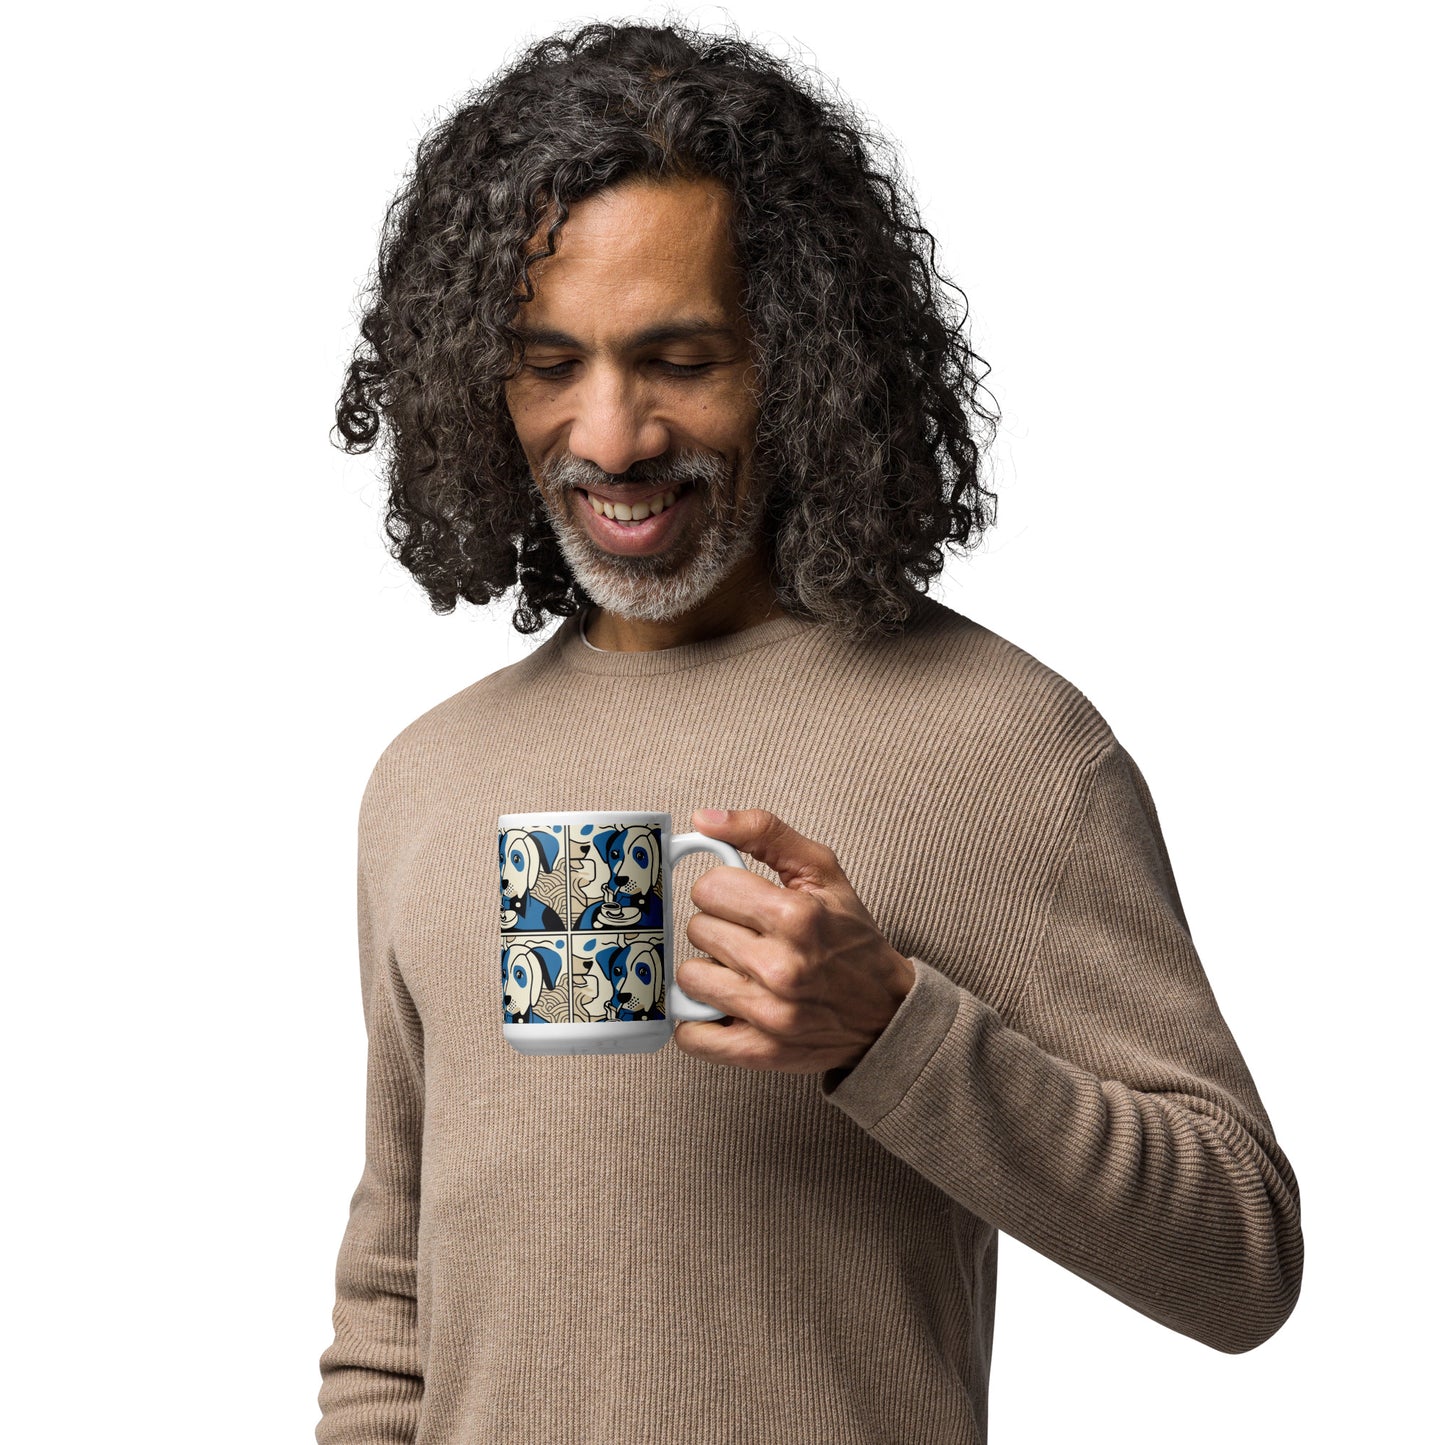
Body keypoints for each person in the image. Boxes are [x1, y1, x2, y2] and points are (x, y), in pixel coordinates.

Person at [316, 21, 1303, 1444]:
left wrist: (892, 1031)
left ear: (805, 358)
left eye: (678, 358)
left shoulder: (1000, 745)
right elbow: (395, 1295)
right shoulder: (426, 778)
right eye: (548, 363)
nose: (612, 434)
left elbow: (1242, 1257)